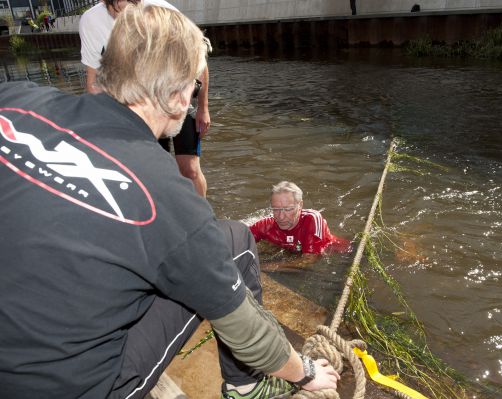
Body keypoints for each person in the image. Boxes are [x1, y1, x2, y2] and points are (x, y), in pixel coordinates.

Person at [0, 5, 339, 399]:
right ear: (179, 97)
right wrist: (306, 373)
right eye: (195, 87)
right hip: (74, 388)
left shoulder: (16, 100)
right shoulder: (168, 194)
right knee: (233, 243)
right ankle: (245, 386)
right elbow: (248, 332)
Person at [79, 0, 210, 197]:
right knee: (154, 172)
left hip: (175, 94)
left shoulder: (163, 11)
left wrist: (203, 107)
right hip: (137, 106)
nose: (125, 18)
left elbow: (198, 62)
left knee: (190, 169)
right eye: (117, 11)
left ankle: (205, 217)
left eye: (130, 10)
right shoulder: (91, 21)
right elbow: (93, 82)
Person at [250, 181, 352, 268]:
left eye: (288, 209)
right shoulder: (265, 225)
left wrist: (267, 267)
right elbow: (238, 241)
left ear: (300, 205)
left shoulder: (312, 219)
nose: (281, 217)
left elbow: (309, 261)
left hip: (338, 255)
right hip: (292, 250)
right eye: (276, 209)